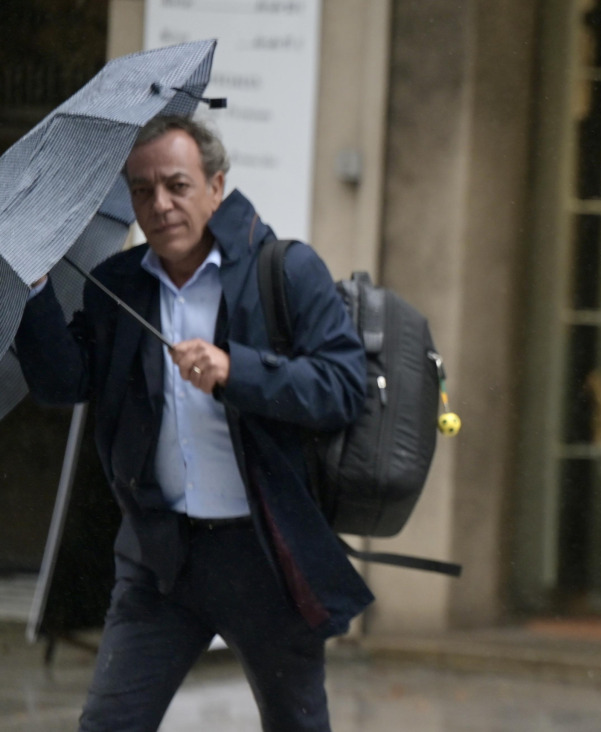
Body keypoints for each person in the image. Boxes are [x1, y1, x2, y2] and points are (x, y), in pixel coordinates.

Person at [14, 115, 371, 732]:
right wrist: (34, 286)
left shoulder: (284, 272)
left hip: (265, 555)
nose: (160, 205)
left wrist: (238, 370)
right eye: (142, 190)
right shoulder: (118, 287)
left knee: (297, 724)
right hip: (160, 558)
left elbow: (342, 389)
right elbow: (62, 382)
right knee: (109, 724)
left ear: (216, 186)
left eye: (177, 185)